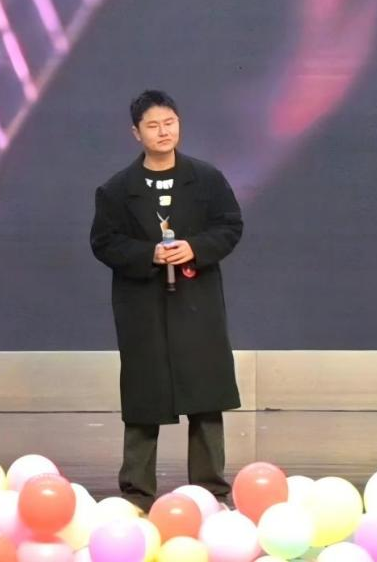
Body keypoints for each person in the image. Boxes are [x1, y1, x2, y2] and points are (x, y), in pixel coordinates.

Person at [89, 89, 244, 512]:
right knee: (145, 397)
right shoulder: (117, 190)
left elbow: (230, 226)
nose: (163, 132)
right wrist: (149, 254)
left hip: (196, 303)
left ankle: (211, 492)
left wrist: (195, 247)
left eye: (169, 123)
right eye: (153, 125)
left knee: (206, 396)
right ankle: (136, 494)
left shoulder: (207, 179)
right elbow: (104, 242)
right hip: (143, 306)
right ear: (136, 133)